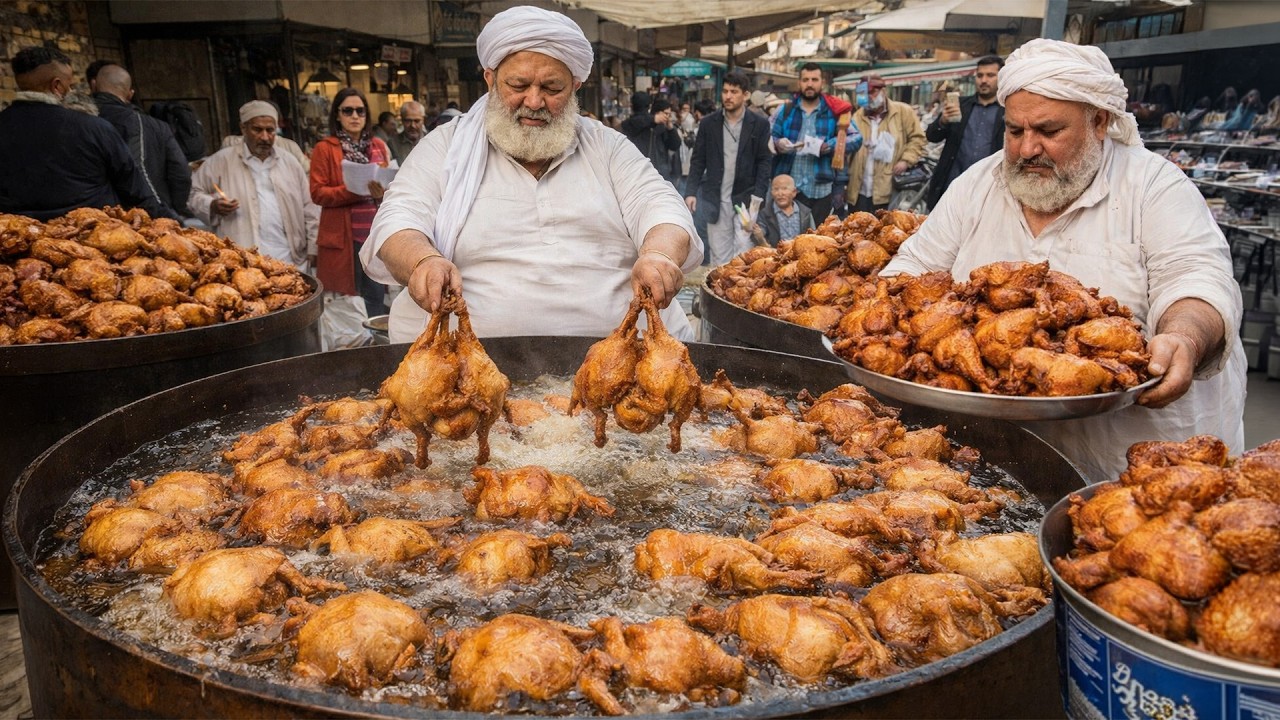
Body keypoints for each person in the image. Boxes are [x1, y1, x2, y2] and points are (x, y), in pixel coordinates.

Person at [880, 38, 1246, 484]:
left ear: (1099, 122)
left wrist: (1184, 339)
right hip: (1001, 462)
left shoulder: (1154, 187)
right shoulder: (977, 185)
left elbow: (1197, 279)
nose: (1027, 149)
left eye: (1049, 132)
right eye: (1014, 131)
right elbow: (912, 267)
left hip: (1130, 465)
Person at [360, 5, 701, 343]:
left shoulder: (608, 147)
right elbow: (397, 221)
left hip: (621, 364)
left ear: (576, 86)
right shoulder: (444, 148)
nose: (534, 101)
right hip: (464, 367)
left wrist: (658, 254)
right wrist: (423, 261)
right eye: (518, 85)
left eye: (552, 88)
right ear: (490, 79)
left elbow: (661, 206)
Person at [0, 46, 174, 221]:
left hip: (18, 238)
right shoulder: (94, 128)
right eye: (71, 85)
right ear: (57, 85)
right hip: (88, 236)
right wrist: (171, 223)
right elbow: (135, 189)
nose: (72, 90)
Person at [189, 100, 318, 267]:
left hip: (288, 257)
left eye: (270, 130)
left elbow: (310, 208)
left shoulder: (290, 163)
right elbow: (193, 195)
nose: (265, 137)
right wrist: (212, 204)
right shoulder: (221, 161)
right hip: (241, 259)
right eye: (257, 129)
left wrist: (313, 247)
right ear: (243, 128)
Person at [311, 87, 393, 317]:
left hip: (375, 233)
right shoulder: (325, 149)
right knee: (349, 300)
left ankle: (375, 347)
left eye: (360, 111)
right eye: (348, 111)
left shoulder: (377, 145)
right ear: (337, 115)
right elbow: (318, 193)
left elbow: (388, 181)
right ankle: (354, 348)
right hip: (344, 236)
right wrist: (354, 192)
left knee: (376, 294)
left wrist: (382, 191)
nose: (355, 116)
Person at [685, 70, 773, 267]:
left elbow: (764, 162)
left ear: (746, 95)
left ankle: (738, 296)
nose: (728, 96)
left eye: (734, 91)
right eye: (725, 91)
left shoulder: (759, 124)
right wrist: (690, 192)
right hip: (715, 199)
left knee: (744, 253)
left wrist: (758, 198)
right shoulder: (709, 124)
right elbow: (698, 159)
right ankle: (718, 295)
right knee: (719, 257)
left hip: (745, 199)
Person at [92, 64, 192, 217]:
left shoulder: (77, 123)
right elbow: (181, 174)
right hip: (151, 214)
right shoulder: (152, 126)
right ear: (130, 94)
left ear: (93, 85)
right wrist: (175, 210)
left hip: (96, 218)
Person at [771, 63, 860, 223]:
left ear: (822, 83)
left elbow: (856, 138)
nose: (810, 84)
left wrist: (829, 145)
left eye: (814, 79)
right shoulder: (785, 110)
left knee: (819, 240)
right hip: (789, 192)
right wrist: (778, 144)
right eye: (805, 80)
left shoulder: (835, 111)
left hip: (822, 190)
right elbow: (769, 136)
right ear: (799, 83)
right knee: (788, 242)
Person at [925, 55, 1005, 210]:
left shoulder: (1007, 110)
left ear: (1001, 77)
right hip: (952, 185)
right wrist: (943, 121)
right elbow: (932, 136)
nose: (984, 80)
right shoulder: (961, 105)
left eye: (990, 75)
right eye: (980, 75)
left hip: (989, 190)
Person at [846, 74, 926, 213]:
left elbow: (918, 138)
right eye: (865, 93)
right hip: (859, 189)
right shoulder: (857, 116)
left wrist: (906, 161)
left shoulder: (903, 112)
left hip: (888, 188)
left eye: (873, 92)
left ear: (884, 91)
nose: (869, 97)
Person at [621, 92, 680, 183]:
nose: (667, 117)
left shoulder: (660, 127)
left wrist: (670, 128)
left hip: (652, 174)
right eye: (665, 114)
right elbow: (636, 122)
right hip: (647, 174)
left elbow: (675, 145)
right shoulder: (639, 123)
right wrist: (654, 119)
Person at [752, 174, 813, 246]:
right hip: (775, 254)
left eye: (784, 188)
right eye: (776, 189)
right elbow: (759, 236)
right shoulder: (765, 214)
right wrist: (759, 236)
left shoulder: (805, 213)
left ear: (794, 192)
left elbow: (813, 235)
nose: (780, 193)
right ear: (771, 193)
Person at [387, 100, 427, 165]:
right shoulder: (393, 144)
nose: (413, 126)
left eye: (417, 121)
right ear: (402, 120)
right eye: (408, 121)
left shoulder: (433, 141)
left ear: (423, 120)